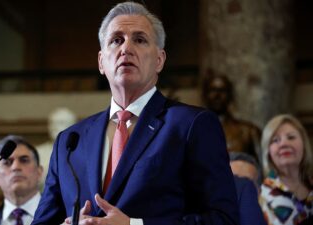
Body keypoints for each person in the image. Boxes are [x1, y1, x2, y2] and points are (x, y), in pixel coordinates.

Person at [32, 2, 239, 225]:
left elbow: (223, 219)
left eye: (139, 40)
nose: (126, 49)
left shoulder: (192, 125)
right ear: (102, 62)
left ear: (159, 60)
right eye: (116, 40)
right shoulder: (70, 141)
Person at [259, 114, 313, 225]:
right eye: (275, 140)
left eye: (291, 137)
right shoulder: (259, 197)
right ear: (268, 152)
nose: (284, 144)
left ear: (304, 144)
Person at [201, 74, 262, 164]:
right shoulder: (191, 132)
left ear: (230, 95)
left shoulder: (249, 132)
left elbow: (265, 168)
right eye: (213, 90)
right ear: (205, 95)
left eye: (222, 90)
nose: (217, 95)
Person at [36, 107, 77, 183]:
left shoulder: (84, 153)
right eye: (52, 122)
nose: (54, 127)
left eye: (61, 123)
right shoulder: (38, 152)